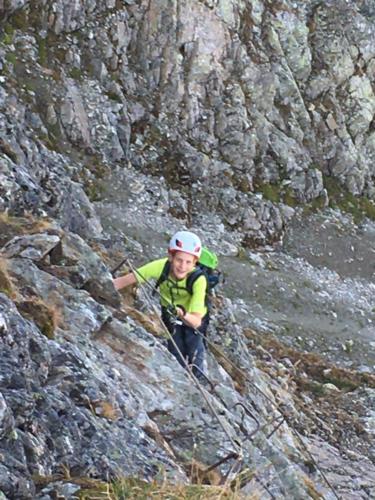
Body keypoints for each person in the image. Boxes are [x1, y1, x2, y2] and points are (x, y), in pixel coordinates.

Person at [113, 230, 209, 379]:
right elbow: (126, 280)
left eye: (188, 262)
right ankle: (182, 381)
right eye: (179, 260)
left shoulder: (198, 280)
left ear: (195, 262)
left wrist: (183, 314)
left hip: (192, 320)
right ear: (170, 256)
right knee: (176, 354)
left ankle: (199, 381)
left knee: (194, 353)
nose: (183, 266)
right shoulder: (161, 267)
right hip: (169, 315)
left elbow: (196, 321)